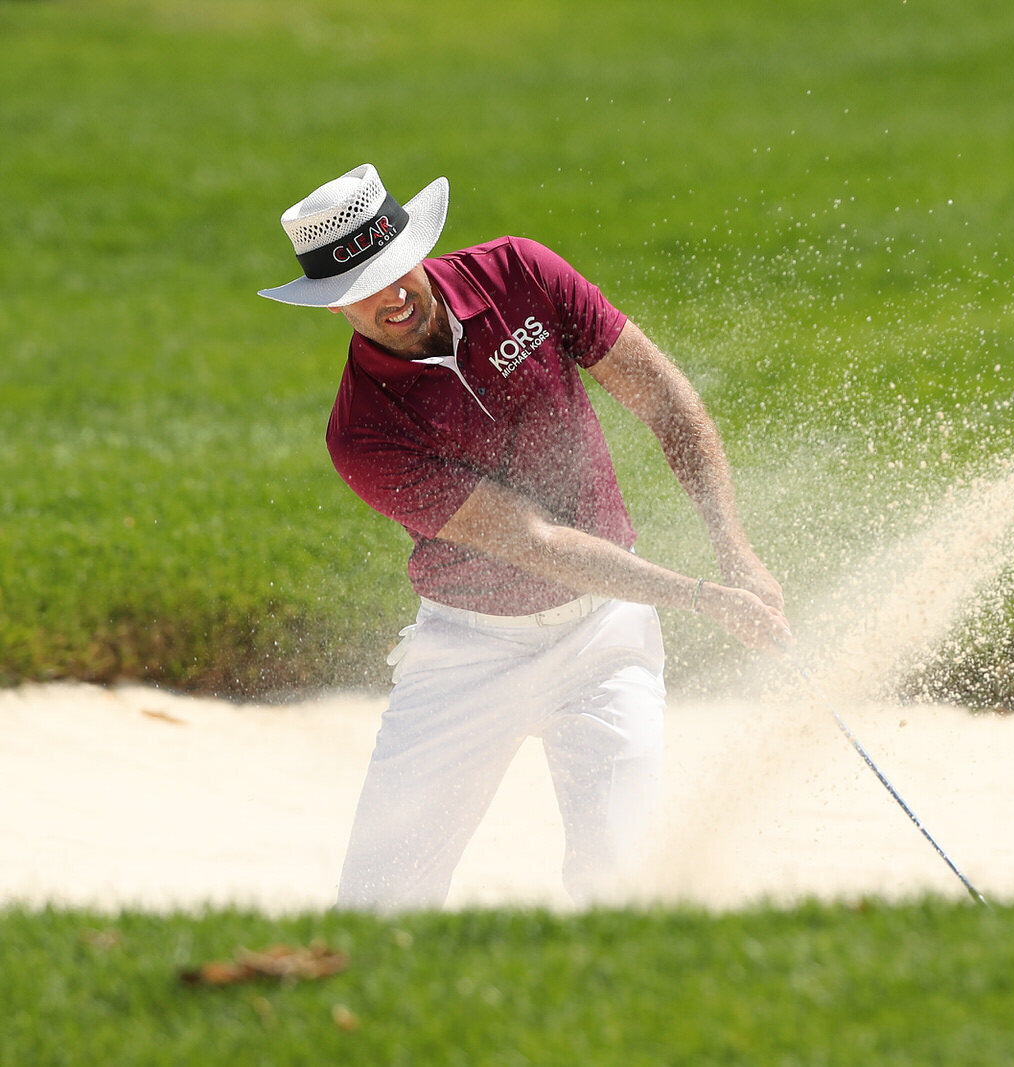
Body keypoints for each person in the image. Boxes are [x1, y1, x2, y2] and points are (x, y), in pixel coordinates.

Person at [259, 163, 791, 910]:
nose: (392, 296)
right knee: (378, 903)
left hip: (606, 638)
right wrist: (702, 595)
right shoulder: (365, 433)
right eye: (360, 288)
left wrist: (732, 545)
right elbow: (536, 539)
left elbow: (663, 398)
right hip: (468, 653)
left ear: (414, 247)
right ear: (331, 303)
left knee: (620, 888)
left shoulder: (519, 273)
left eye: (392, 268)